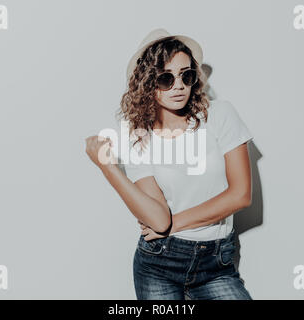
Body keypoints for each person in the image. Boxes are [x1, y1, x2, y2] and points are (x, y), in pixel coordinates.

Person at [85, 28, 253, 300]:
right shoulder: (138, 135)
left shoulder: (220, 115)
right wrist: (108, 167)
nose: (179, 86)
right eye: (166, 78)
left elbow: (241, 195)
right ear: (147, 83)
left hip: (217, 263)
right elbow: (157, 218)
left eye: (186, 75)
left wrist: (174, 225)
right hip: (159, 263)